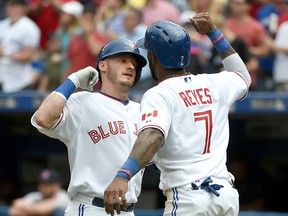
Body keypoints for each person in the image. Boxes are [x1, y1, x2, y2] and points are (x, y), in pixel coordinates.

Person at [104, 13, 251, 216]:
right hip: (225, 197)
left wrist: (123, 175)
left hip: (189, 198)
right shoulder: (215, 83)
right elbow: (243, 77)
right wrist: (214, 34)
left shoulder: (159, 93)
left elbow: (153, 135)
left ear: (152, 57)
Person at [30, 38, 147, 215]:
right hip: (90, 207)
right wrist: (74, 80)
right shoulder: (83, 101)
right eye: (123, 60)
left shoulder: (142, 110)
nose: (131, 66)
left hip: (128, 210)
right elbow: (43, 118)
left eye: (134, 64)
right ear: (103, 65)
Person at [0, 0, 41, 92]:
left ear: (23, 8)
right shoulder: (2, 25)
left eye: (14, 5)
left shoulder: (30, 28)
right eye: (9, 5)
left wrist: (6, 53)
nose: (10, 8)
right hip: (3, 78)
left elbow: (29, 55)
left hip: (20, 80)